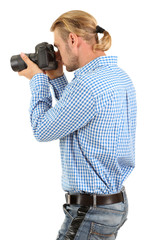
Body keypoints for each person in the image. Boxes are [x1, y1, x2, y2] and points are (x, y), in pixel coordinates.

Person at [18, 10, 137, 240]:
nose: (57, 54)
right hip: (112, 204)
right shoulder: (119, 76)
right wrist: (56, 77)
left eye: (58, 46)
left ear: (73, 39)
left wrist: (38, 80)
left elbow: (42, 130)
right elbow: (74, 118)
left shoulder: (87, 85)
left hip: (91, 212)